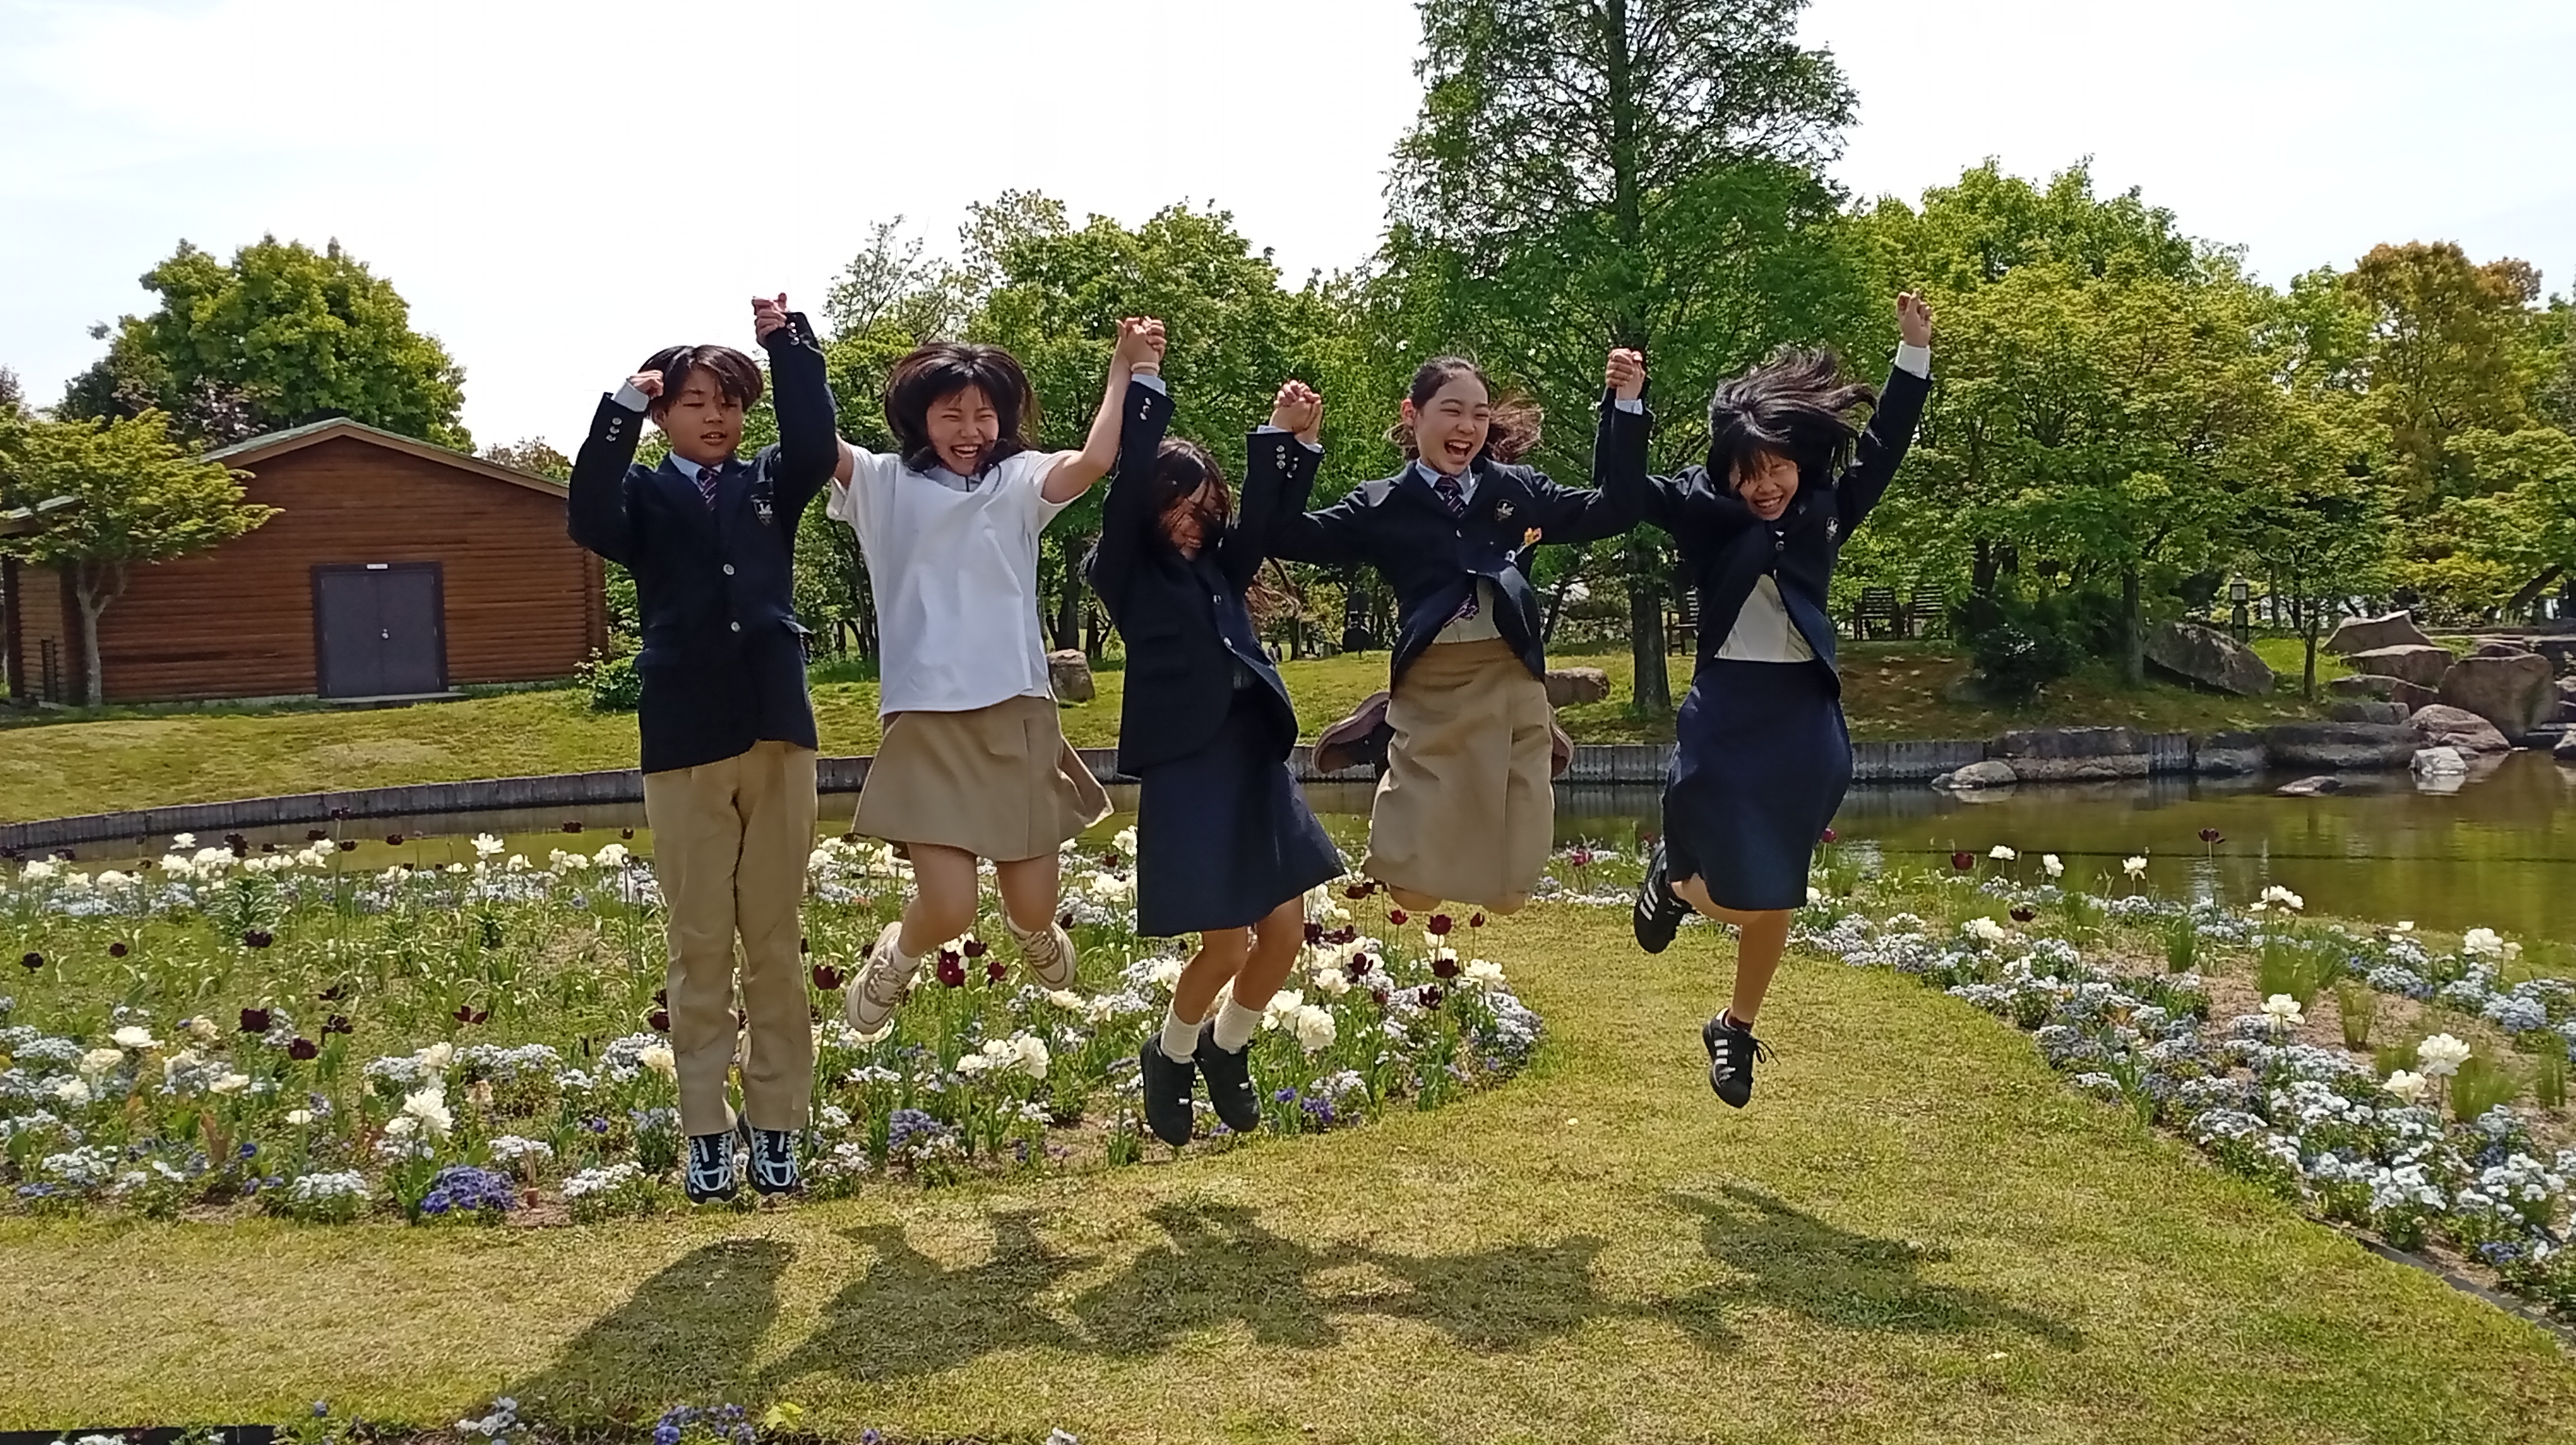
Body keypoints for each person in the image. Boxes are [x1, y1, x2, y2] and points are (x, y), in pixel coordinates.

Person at [1630, 292, 1935, 1108]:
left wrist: (1913, 356)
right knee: (1734, 891)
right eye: (1749, 471)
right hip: (1728, 708)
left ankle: (1734, 1027)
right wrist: (1624, 403)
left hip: (1805, 716)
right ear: (1727, 468)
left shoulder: (1827, 513)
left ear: (1800, 460)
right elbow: (1623, 488)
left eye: (1779, 467)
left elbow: (1885, 448)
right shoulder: (1705, 515)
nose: (1765, 486)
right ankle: (1675, 876)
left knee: (1775, 889)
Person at [566, 295, 838, 1202]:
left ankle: (778, 1130)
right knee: (699, 946)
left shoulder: (770, 480)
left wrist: (788, 348)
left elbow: (812, 444)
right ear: (664, 414)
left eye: (729, 400)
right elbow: (588, 513)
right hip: (682, 737)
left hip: (776, 730)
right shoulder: (641, 493)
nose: (715, 416)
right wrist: (618, 409)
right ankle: (706, 1134)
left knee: (773, 939)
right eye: (693, 400)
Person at [828, 319, 1166, 1033]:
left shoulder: (1019, 480)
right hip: (926, 720)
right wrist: (791, 349)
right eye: (951, 413)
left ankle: (1035, 929)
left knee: (1031, 906)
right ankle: (898, 953)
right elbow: (812, 440)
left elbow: (1096, 460)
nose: (970, 428)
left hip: (1016, 711)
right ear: (921, 418)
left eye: (985, 413)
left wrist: (1124, 369)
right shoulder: (883, 485)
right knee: (949, 908)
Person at [1269, 351, 1649, 914]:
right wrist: (1289, 443)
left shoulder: (1516, 490)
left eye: (1479, 415)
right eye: (1452, 411)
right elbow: (1281, 534)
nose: (1468, 428)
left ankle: (1540, 732)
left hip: (1510, 678)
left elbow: (1617, 508)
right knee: (1412, 890)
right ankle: (1386, 731)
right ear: (1413, 415)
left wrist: (1625, 405)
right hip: (1432, 686)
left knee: (1509, 897)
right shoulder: (1382, 503)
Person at [1086, 370, 1346, 1146]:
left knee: (1287, 932)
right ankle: (1167, 1055)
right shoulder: (1127, 570)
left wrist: (1286, 433)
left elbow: (1265, 520)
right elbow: (1127, 481)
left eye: (1206, 511)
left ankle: (1227, 1047)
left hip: (1253, 755)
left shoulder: (1221, 568)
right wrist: (1144, 379)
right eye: (1178, 507)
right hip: (1187, 764)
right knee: (1225, 942)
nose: (1193, 524)